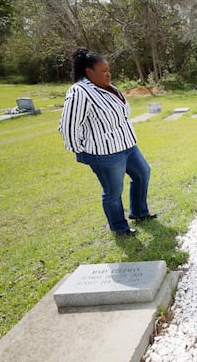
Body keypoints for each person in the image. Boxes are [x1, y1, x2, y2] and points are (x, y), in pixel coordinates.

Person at [59, 47, 156, 236]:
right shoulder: (79, 92)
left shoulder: (107, 88)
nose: (108, 74)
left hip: (128, 146)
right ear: (89, 71)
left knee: (143, 173)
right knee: (113, 191)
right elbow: (68, 126)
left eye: (108, 70)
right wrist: (83, 151)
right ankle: (119, 227)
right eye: (103, 71)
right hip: (105, 153)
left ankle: (139, 212)